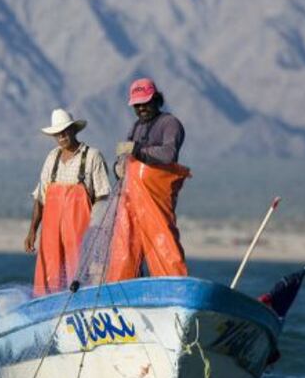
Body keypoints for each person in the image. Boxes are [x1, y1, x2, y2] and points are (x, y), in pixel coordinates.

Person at [106, 78, 190, 282]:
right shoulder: (135, 127)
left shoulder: (170, 124)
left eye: (146, 102)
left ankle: (173, 287)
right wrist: (118, 167)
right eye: (137, 104)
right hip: (130, 199)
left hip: (155, 199)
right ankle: (122, 290)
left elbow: (169, 153)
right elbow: (124, 160)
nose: (142, 108)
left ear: (156, 99)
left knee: (163, 244)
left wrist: (137, 151)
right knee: (125, 247)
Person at [24, 108, 111, 295]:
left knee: (80, 276)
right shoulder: (51, 158)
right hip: (51, 234)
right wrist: (32, 231)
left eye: (65, 130)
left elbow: (103, 198)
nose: (61, 136)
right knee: (50, 278)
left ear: (74, 130)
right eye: (57, 133)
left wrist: (96, 236)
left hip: (82, 235)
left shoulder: (92, 157)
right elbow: (41, 197)